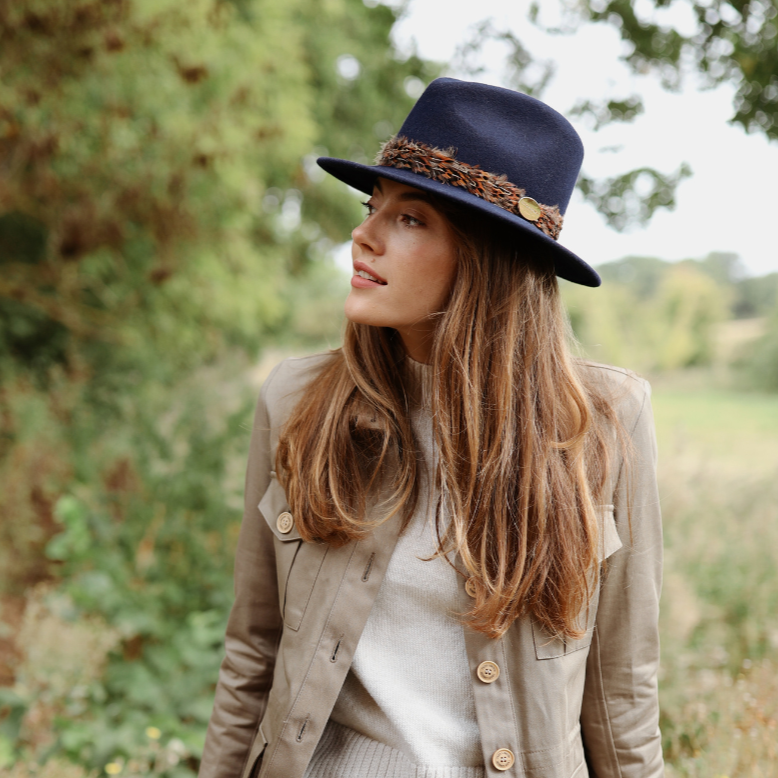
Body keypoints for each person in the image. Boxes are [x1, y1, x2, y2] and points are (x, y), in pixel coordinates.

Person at [198, 78, 664, 778]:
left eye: (411, 220)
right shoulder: (299, 401)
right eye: (372, 207)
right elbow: (254, 649)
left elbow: (620, 690)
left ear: (487, 260)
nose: (365, 236)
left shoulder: (602, 423)